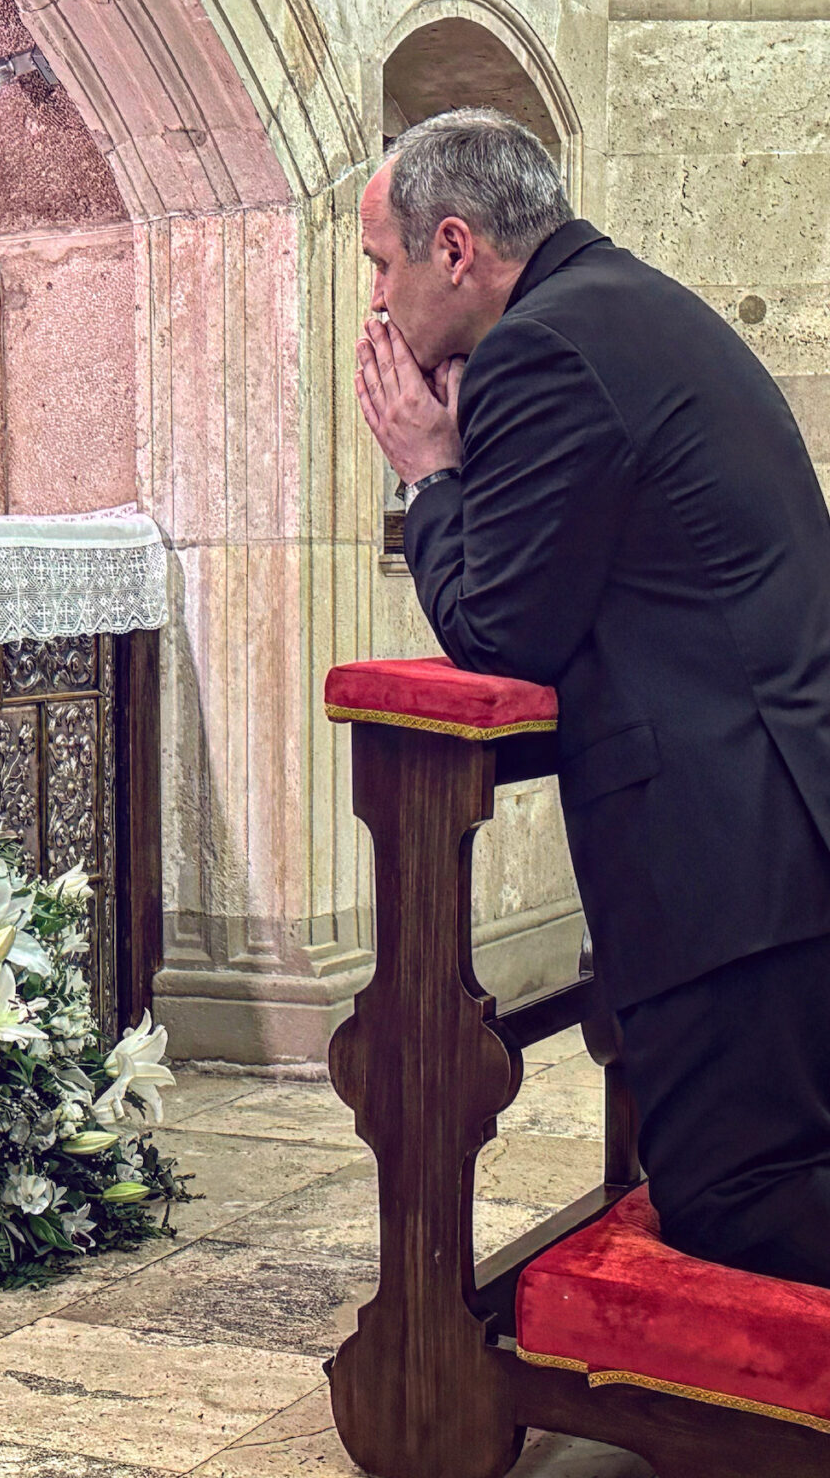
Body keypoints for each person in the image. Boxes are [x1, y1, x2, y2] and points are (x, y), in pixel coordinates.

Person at [354, 106, 830, 1288]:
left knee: (738, 1197)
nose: (376, 303)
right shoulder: (623, 305)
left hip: (732, 855)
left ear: (454, 248)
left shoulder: (543, 349)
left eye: (382, 263)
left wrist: (430, 472)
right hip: (778, 823)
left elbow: (500, 630)